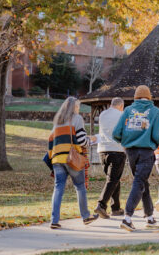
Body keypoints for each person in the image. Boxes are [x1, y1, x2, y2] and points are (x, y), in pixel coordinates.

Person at [113, 85, 159, 232]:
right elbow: (158, 136)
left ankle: (149, 216)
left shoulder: (128, 111)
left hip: (130, 152)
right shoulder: (155, 112)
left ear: (135, 97)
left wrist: (125, 142)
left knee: (143, 182)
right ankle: (127, 217)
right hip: (146, 152)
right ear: (149, 97)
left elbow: (116, 133)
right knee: (139, 182)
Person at [47, 97, 98, 229]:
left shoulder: (57, 121)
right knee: (80, 187)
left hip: (57, 159)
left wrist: (52, 157)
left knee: (58, 188)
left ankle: (54, 220)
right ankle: (86, 216)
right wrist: (91, 140)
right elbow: (81, 140)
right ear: (73, 108)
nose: (78, 109)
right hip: (72, 158)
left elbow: (50, 140)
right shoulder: (77, 118)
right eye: (77, 106)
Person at [94, 97, 126, 219]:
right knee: (112, 180)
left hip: (102, 150)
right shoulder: (121, 115)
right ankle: (101, 205)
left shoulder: (102, 114)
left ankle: (116, 208)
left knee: (113, 179)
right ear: (121, 106)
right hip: (116, 149)